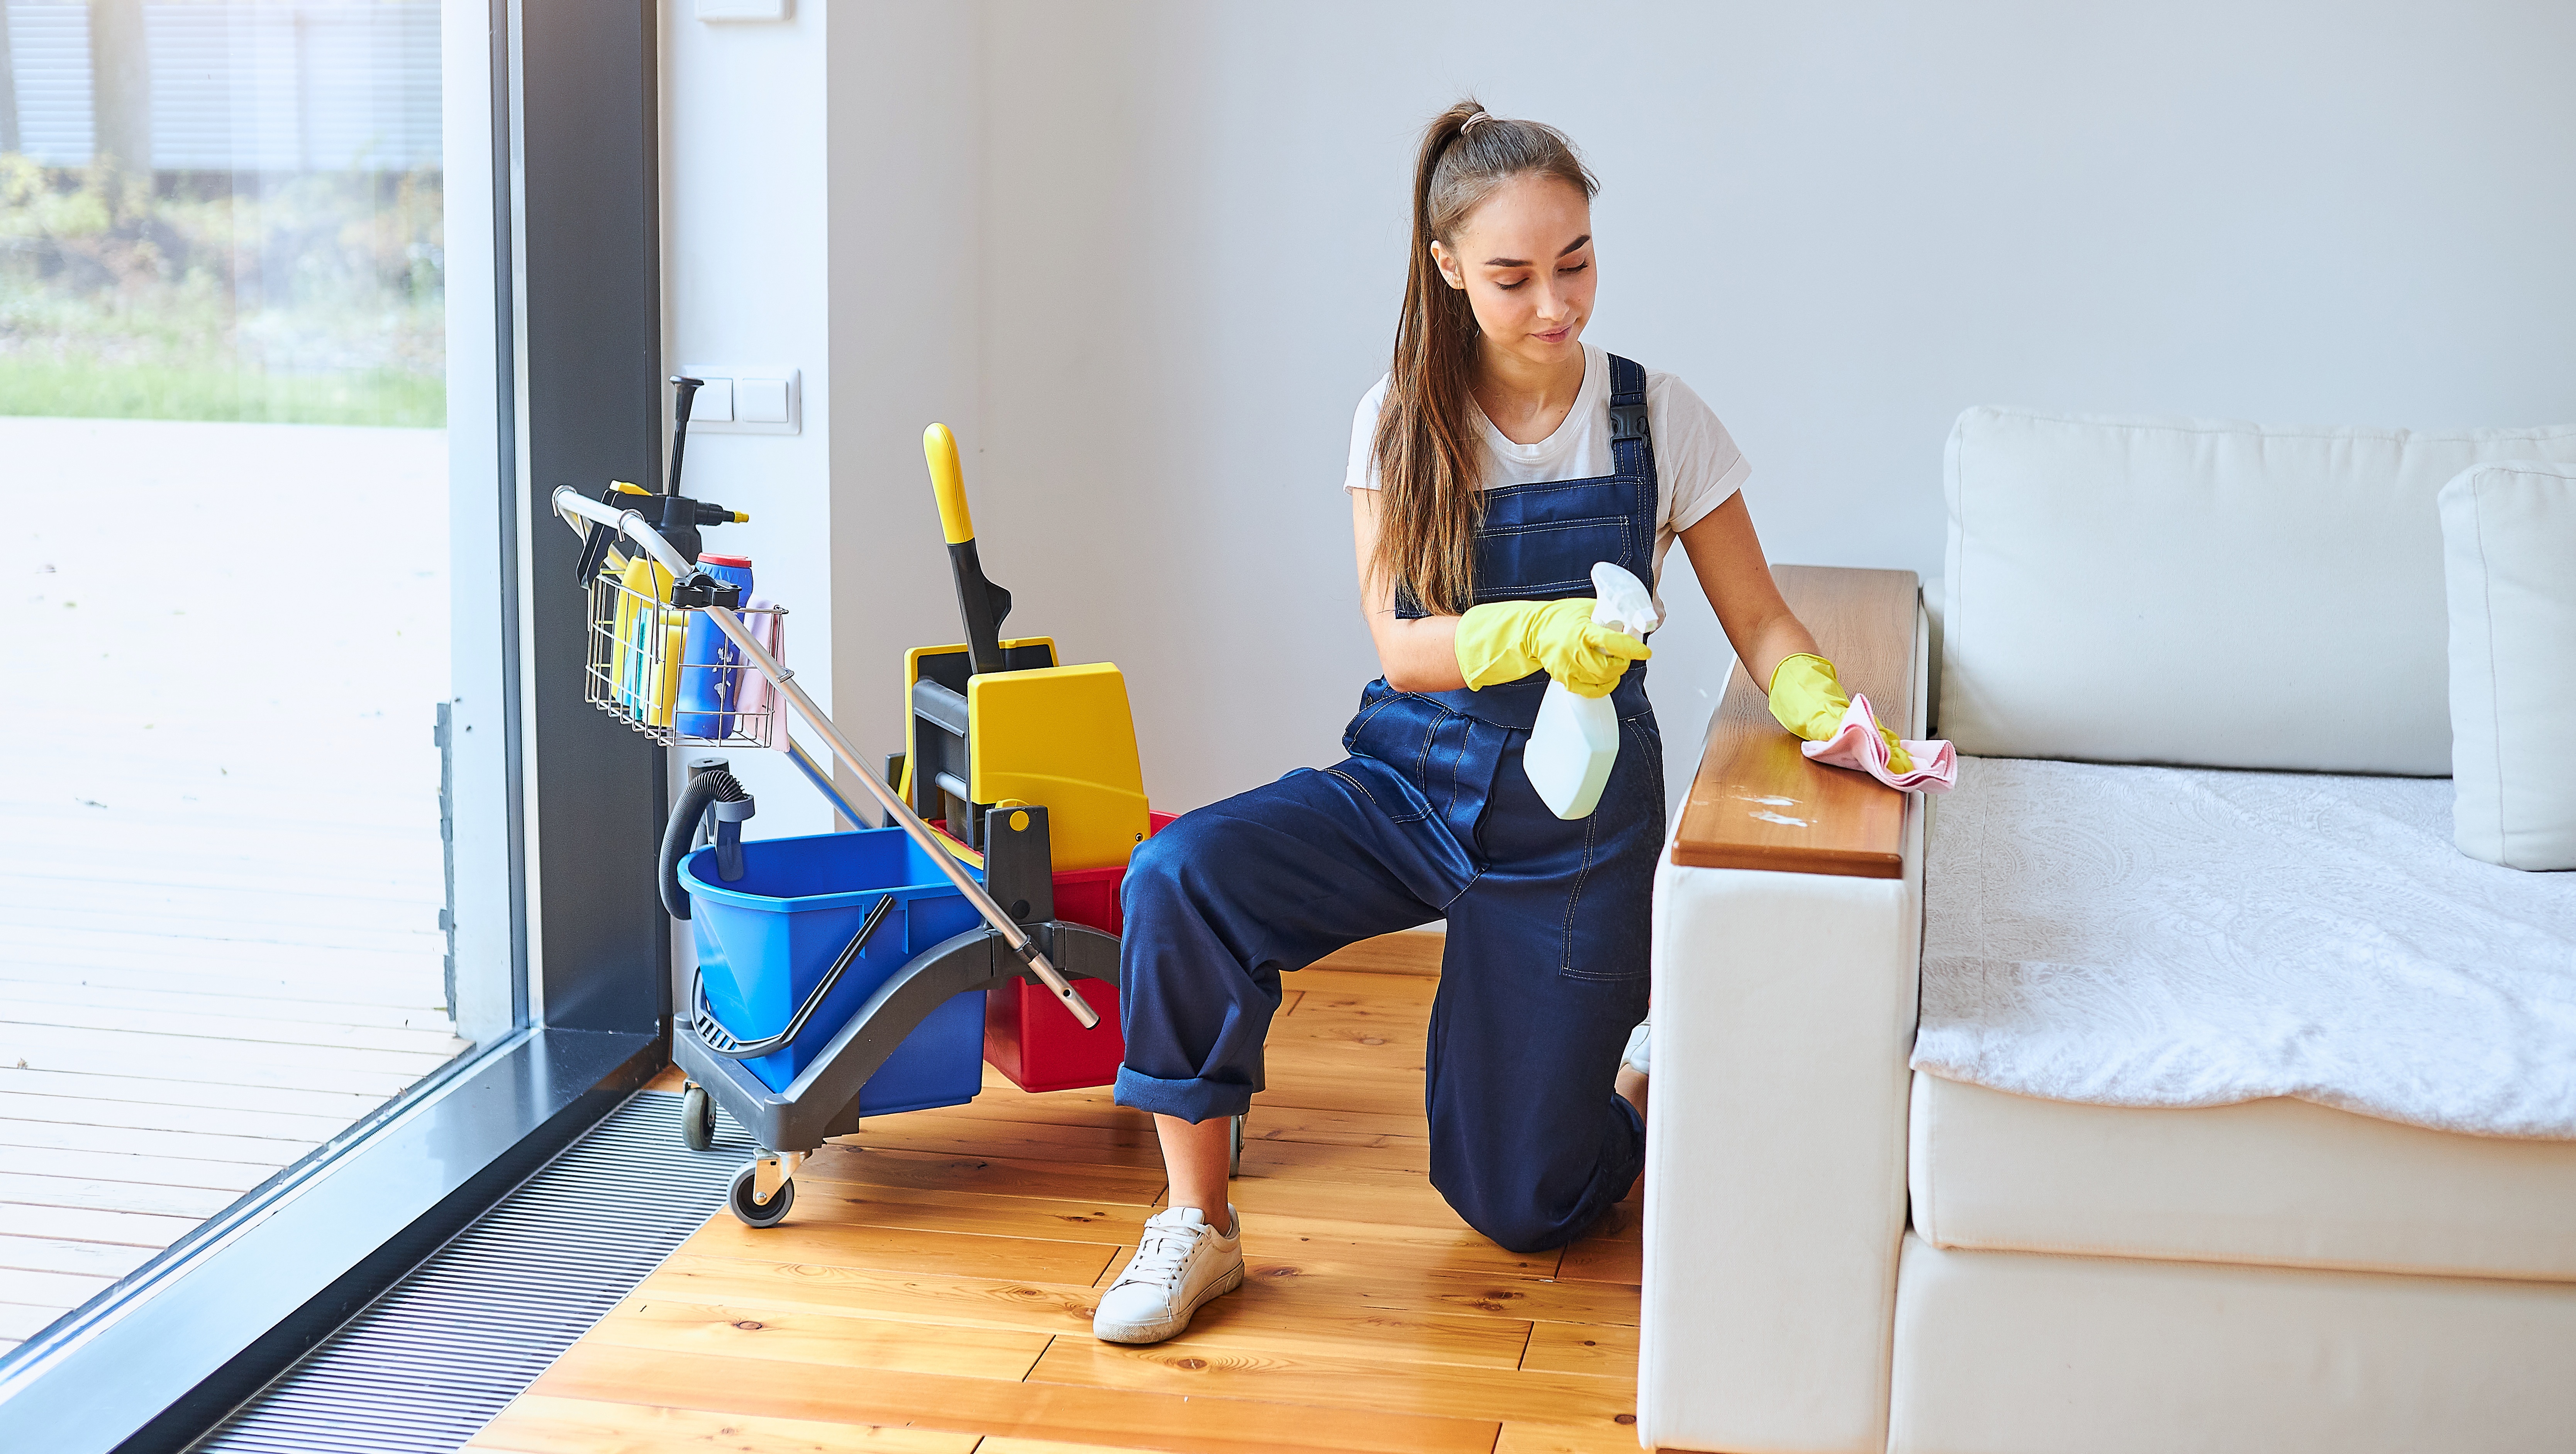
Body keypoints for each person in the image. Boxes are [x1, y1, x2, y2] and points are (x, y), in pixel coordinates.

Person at [1090, 100, 1903, 1346]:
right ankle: (1198, 1226)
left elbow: (1765, 624)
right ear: (1448, 268)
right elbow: (1400, 649)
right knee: (1182, 876)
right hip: (1412, 779)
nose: (1556, 305)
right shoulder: (1401, 418)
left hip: (1575, 830)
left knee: (1526, 1207)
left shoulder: (1656, 418)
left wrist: (1827, 711)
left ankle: (1640, 1065)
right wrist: (1533, 632)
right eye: (1515, 277)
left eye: (1575, 262)